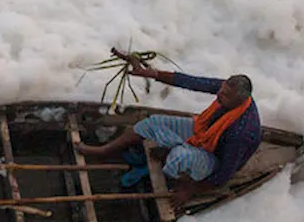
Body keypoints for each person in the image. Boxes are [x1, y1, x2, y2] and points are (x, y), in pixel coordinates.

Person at [77, 56, 260, 209]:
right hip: (203, 133)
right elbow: (193, 82)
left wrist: (191, 190)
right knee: (152, 123)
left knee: (179, 155)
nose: (219, 95)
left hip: (215, 158)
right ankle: (104, 151)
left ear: (239, 100)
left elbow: (224, 173)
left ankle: (174, 167)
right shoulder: (228, 92)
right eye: (221, 90)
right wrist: (149, 73)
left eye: (226, 96)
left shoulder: (241, 133)